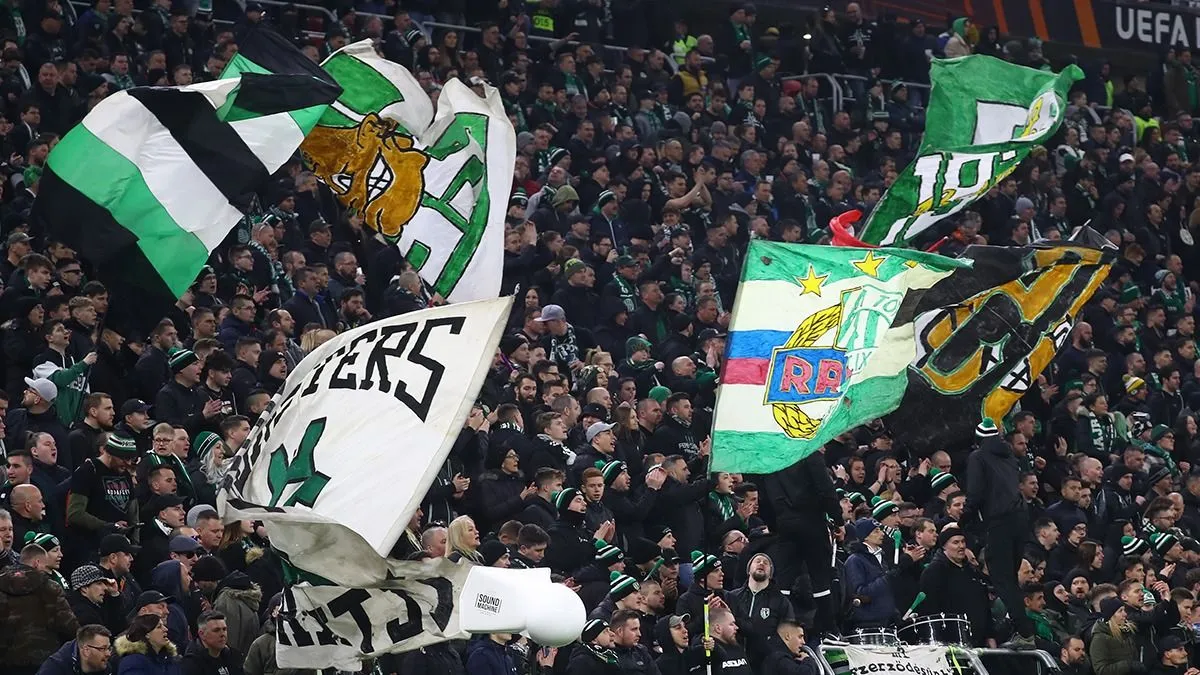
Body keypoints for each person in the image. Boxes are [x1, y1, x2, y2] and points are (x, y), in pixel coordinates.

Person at [0, 543, 79, 674]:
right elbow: (67, 624)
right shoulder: (50, 588)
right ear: (36, 563)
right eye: (45, 566)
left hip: (5, 662)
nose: (46, 571)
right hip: (44, 661)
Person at [115, 614, 181, 675]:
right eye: (159, 627)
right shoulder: (133, 661)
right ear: (147, 634)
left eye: (164, 626)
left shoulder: (171, 659)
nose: (165, 629)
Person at [181, 611, 242, 675]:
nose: (222, 634)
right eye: (216, 630)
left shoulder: (232, 656)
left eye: (224, 629)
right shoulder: (191, 665)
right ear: (202, 634)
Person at [37, 624, 114, 675]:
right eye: (103, 649)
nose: (108, 654)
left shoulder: (104, 666)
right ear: (86, 651)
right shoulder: (54, 669)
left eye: (109, 648)